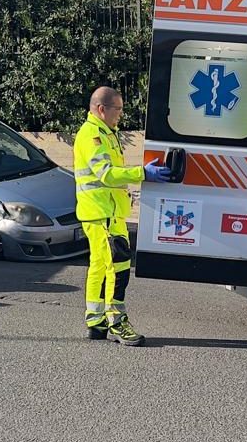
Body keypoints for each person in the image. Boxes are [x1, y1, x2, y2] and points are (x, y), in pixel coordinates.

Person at [73, 86, 170, 346]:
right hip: (102, 213)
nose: (121, 114)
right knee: (118, 268)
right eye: (118, 109)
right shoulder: (92, 135)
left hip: (107, 213)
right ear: (101, 109)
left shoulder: (106, 133)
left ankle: (96, 322)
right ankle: (116, 322)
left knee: (100, 267)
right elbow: (106, 174)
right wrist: (142, 174)